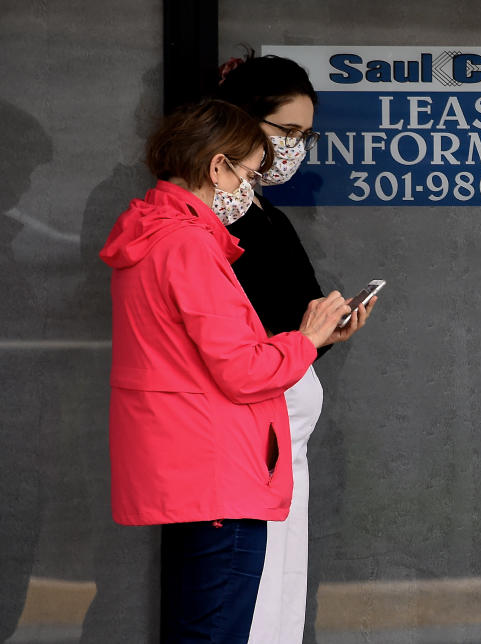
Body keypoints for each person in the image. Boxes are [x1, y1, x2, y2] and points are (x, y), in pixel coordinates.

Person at [99, 99, 355, 643]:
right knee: (216, 631)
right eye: (248, 171)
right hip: (220, 474)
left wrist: (303, 341)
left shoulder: (150, 235)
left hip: (188, 470)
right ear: (217, 167)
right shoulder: (189, 244)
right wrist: (307, 340)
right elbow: (241, 370)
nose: (250, 187)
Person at [215, 53, 377, 643]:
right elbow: (233, 345)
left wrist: (323, 337)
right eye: (286, 132)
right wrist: (302, 342)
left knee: (281, 598)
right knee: (250, 600)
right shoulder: (213, 223)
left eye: (305, 136)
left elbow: (292, 326)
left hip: (287, 441)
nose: (294, 148)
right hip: (250, 443)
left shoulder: (268, 216)